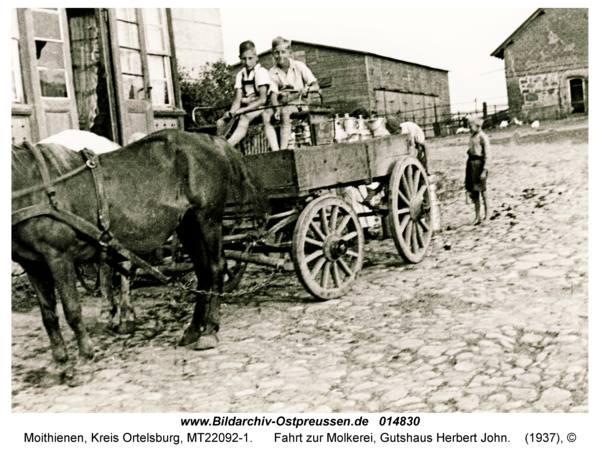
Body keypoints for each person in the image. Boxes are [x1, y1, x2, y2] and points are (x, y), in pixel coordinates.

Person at [217, 41, 279, 150]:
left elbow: (262, 99)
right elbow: (237, 99)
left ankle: (227, 147)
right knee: (221, 121)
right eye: (244, 59)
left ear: (256, 57)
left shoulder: (261, 72)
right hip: (248, 107)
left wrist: (242, 111)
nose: (247, 62)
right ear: (239, 58)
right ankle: (221, 146)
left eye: (250, 58)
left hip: (262, 106)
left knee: (244, 117)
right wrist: (232, 112)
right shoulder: (240, 75)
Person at [267, 37, 320, 150]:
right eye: (277, 53)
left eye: (283, 52)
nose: (280, 55)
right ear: (273, 54)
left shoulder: (299, 66)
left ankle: (283, 149)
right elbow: (273, 93)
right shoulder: (272, 72)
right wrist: (276, 108)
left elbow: (315, 86)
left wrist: (307, 89)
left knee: (285, 112)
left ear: (289, 53)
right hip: (284, 102)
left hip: (301, 102)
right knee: (268, 114)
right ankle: (275, 148)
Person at [465, 116, 489, 225]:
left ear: (478, 126)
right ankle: (477, 216)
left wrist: (485, 169)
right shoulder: (472, 137)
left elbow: (487, 154)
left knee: (483, 191)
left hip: (480, 165)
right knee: (474, 193)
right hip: (471, 165)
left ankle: (487, 215)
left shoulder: (482, 137)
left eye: (470, 126)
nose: (469, 128)